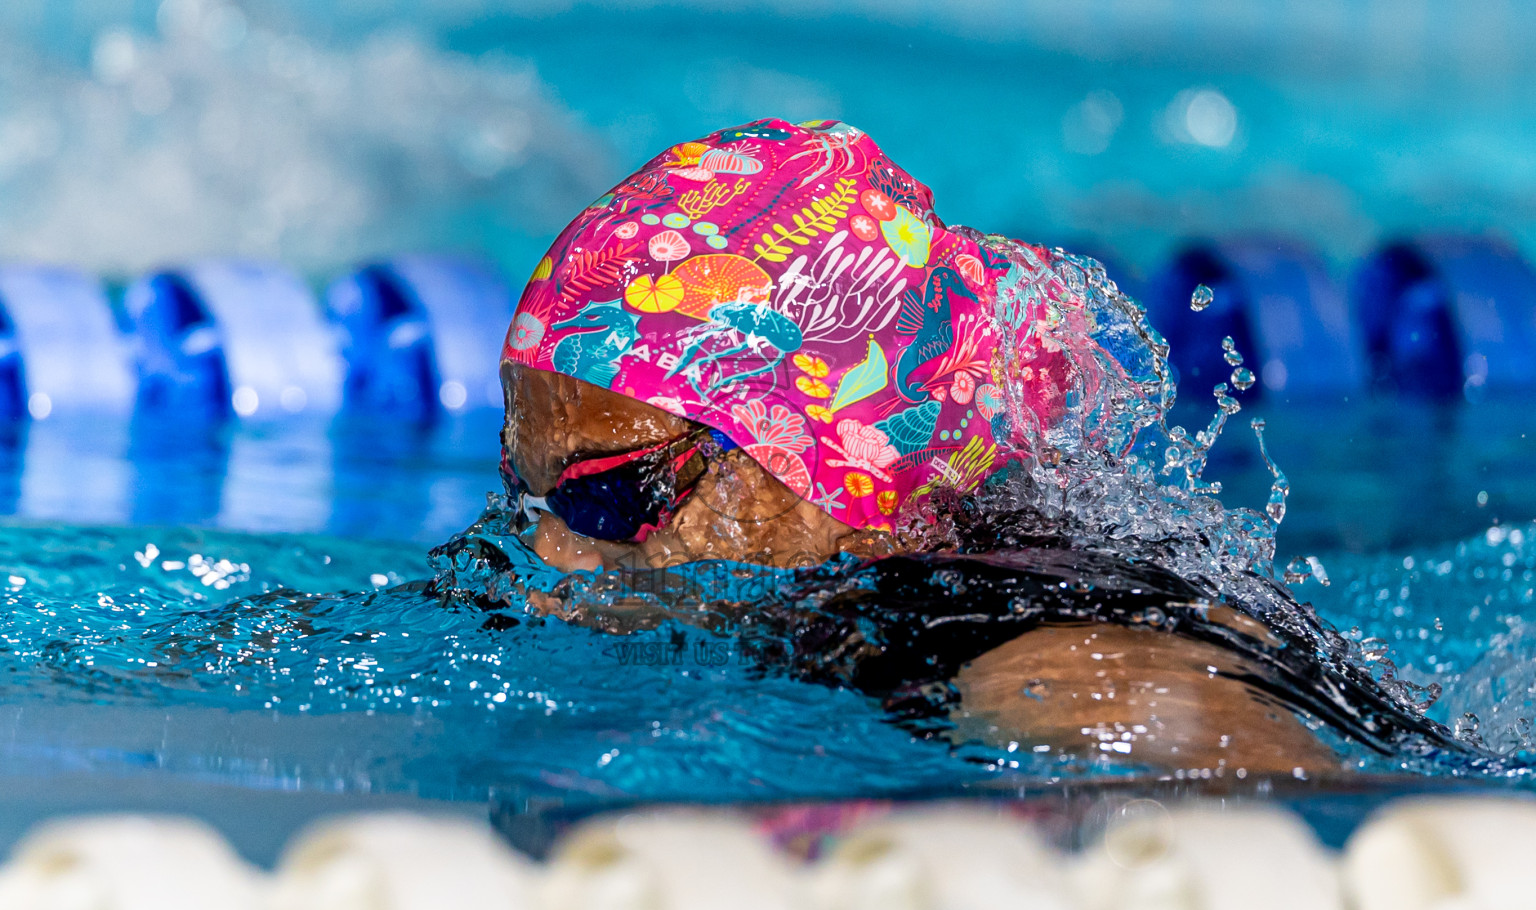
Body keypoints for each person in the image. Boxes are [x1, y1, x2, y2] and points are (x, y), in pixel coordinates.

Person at [497, 118, 1451, 780]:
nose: (546, 550)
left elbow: (1343, 857)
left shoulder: (1031, 655)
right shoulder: (907, 590)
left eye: (604, 501)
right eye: (525, 494)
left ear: (814, 465)